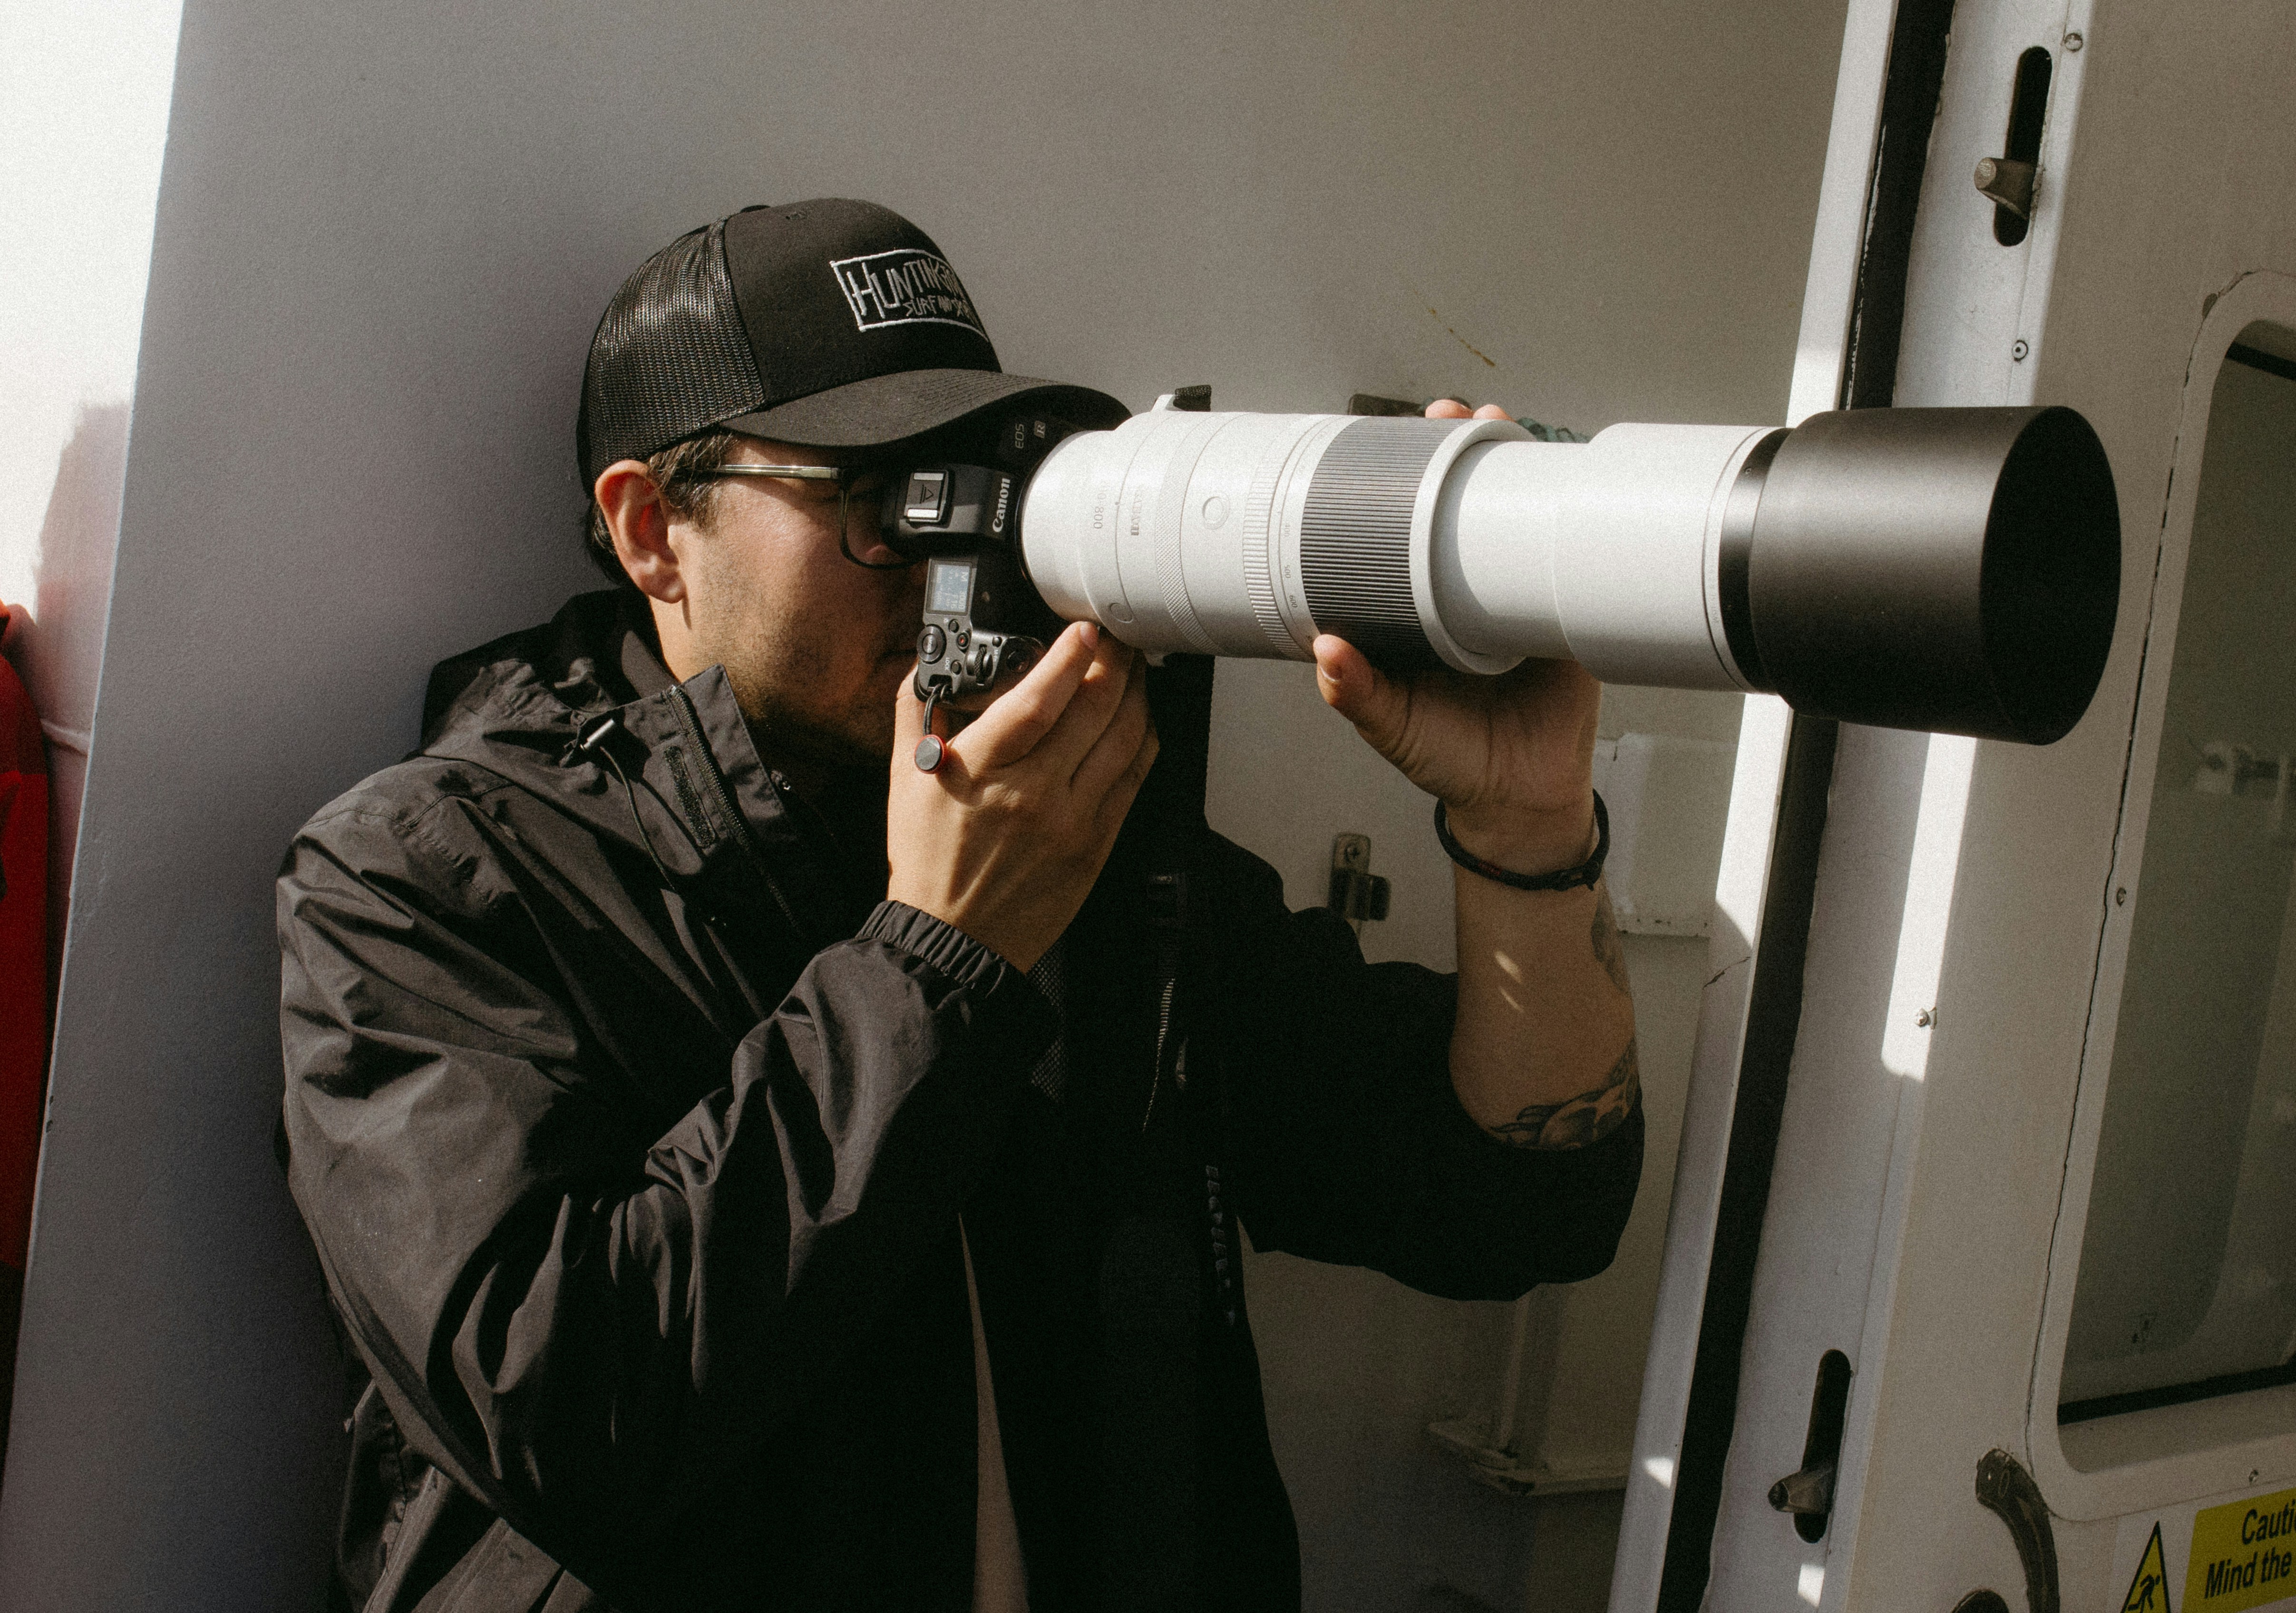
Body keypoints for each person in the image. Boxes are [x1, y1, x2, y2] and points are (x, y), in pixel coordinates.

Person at [277, 198, 1644, 1613]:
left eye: (975, 487)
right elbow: (565, 1411)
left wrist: (1523, 826)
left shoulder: (1077, 835)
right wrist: (943, 957)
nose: (953, 564)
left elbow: (1518, 1208)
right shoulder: (427, 875)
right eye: (882, 504)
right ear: (653, 533)